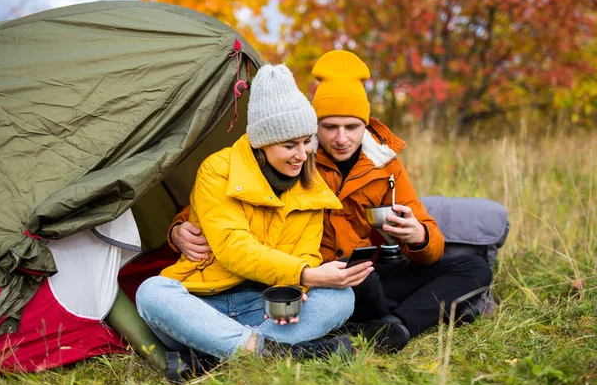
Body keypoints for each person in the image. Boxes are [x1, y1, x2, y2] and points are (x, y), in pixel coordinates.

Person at [167, 51, 493, 353]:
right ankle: (426, 312)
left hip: (360, 270)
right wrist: (180, 227)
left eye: (352, 127)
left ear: (366, 125)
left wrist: (417, 236)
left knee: (474, 267)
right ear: (313, 125)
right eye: (329, 127)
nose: (341, 138)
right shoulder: (296, 158)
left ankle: (395, 326)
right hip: (315, 276)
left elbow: (430, 242)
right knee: (354, 290)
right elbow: (233, 202)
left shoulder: (384, 163)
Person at [136, 64, 372, 382]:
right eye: (289, 145)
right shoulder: (218, 170)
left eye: (307, 142)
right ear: (261, 143)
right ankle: (274, 352)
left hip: (267, 307)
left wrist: (300, 284)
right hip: (203, 305)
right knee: (152, 293)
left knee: (340, 297)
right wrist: (307, 274)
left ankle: (212, 357)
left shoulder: (312, 186)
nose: (302, 155)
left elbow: (305, 254)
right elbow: (234, 248)